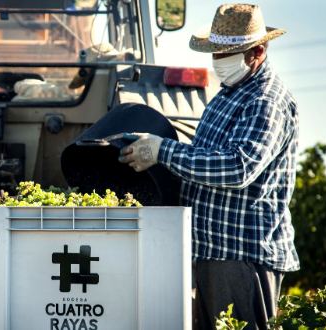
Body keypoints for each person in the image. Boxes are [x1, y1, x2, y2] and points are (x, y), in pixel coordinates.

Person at [119, 4, 299, 329]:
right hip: (212, 252)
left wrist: (164, 152)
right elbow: (206, 157)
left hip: (242, 255)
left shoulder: (265, 101)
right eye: (216, 52)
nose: (218, 60)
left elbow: (238, 167)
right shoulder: (230, 93)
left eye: (227, 53)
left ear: (257, 51)